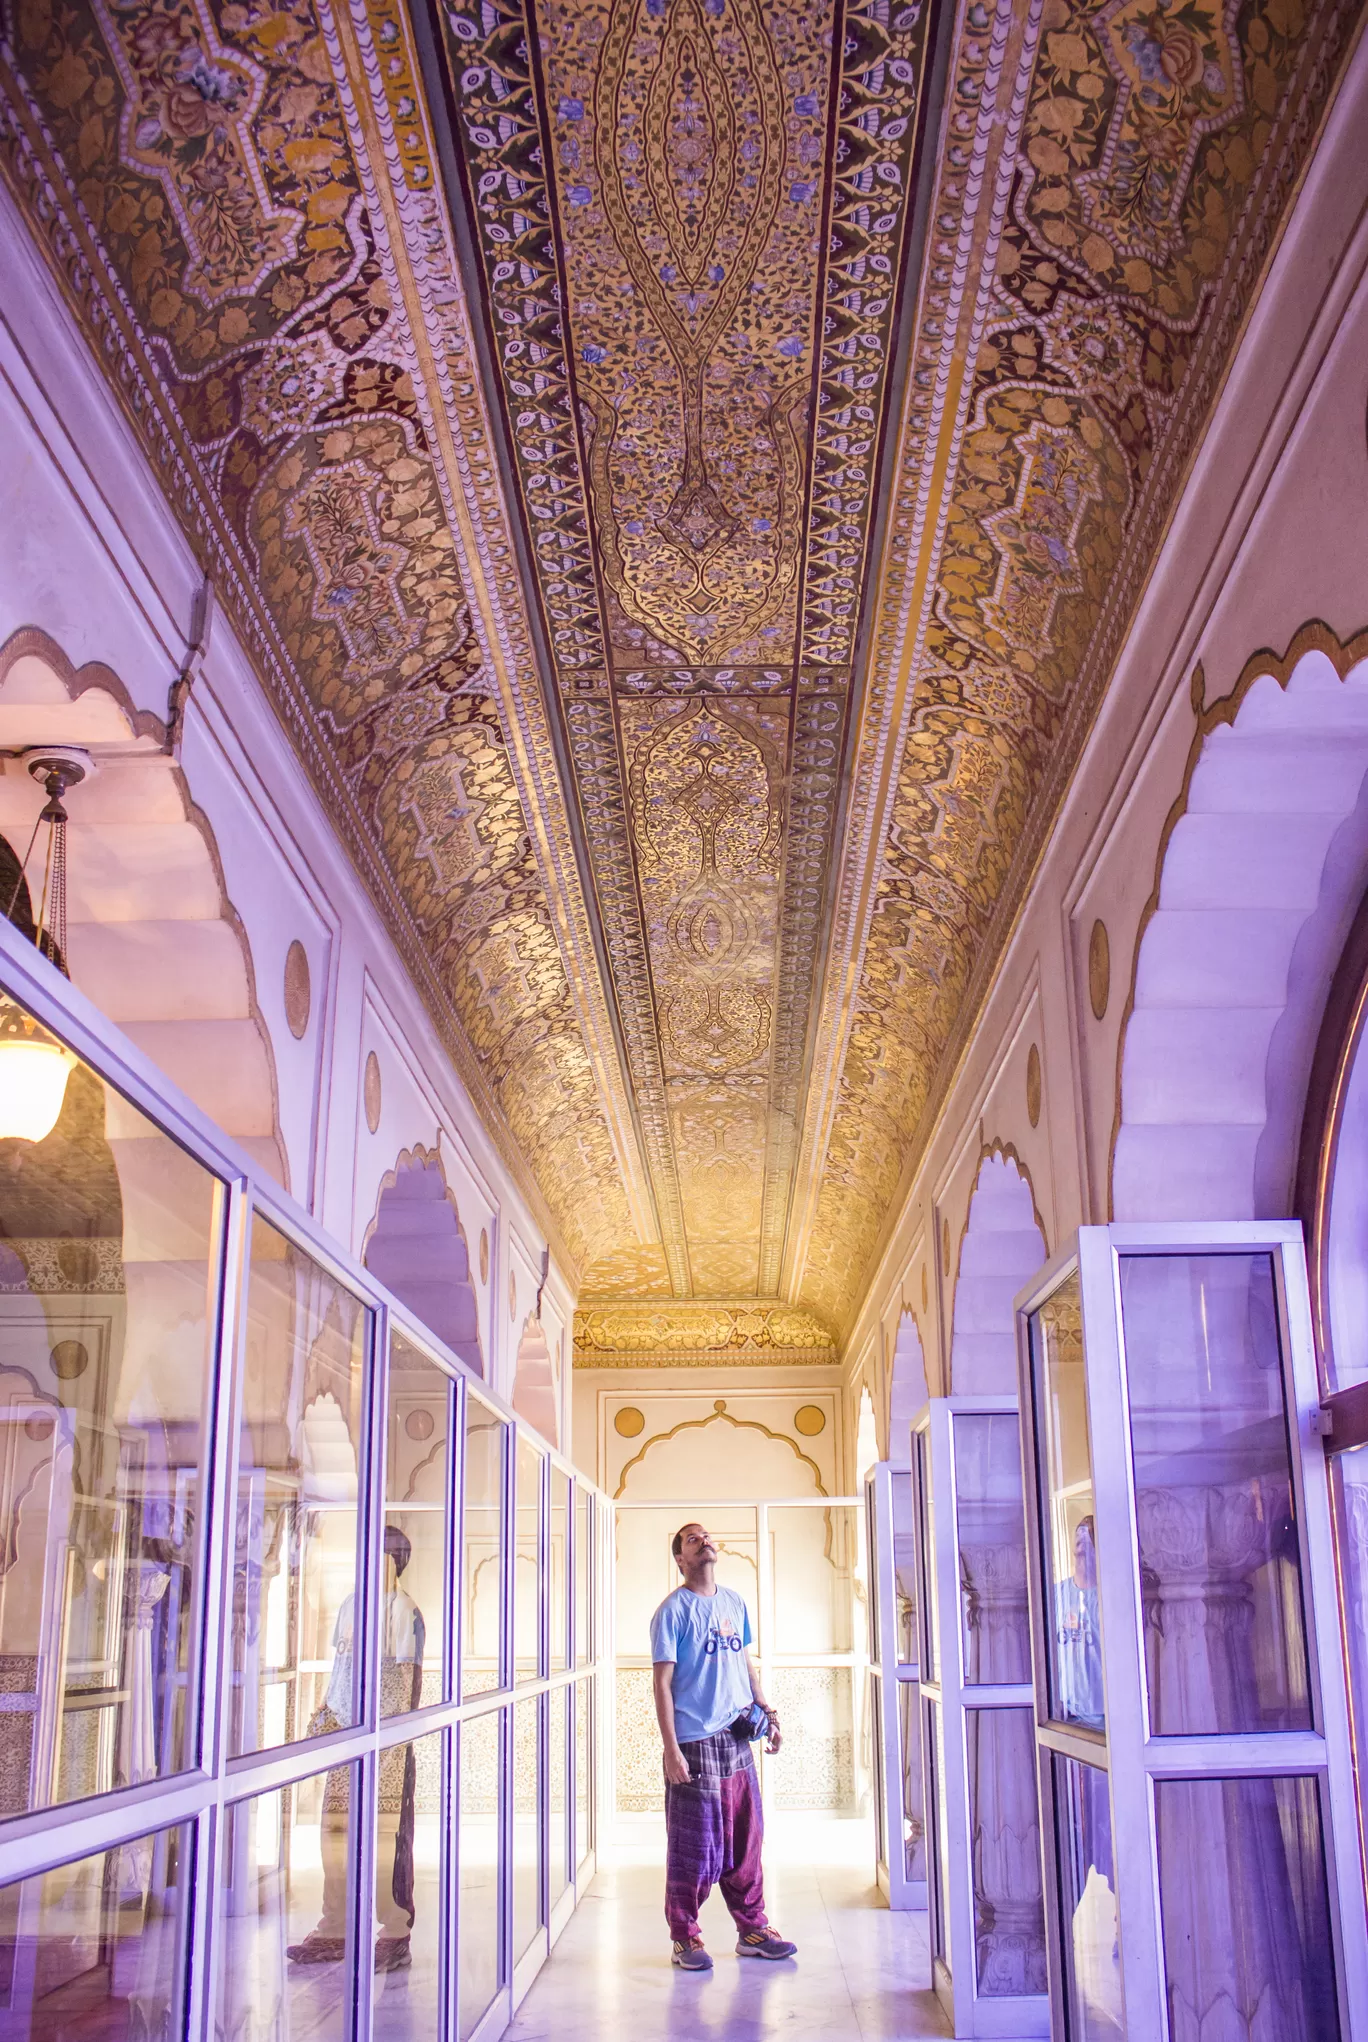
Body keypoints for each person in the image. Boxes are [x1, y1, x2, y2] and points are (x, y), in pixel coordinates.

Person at [650, 1521, 797, 1972]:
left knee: (746, 1839)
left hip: (737, 1737)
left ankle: (752, 1929)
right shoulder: (672, 1612)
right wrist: (671, 1749)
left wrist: (767, 1713)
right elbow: (662, 1683)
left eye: (708, 1535)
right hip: (695, 1743)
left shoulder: (734, 1602)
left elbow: (746, 1666)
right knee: (695, 1846)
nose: (706, 1541)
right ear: (680, 1558)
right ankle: (685, 1938)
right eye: (693, 1539)